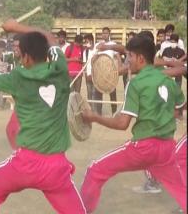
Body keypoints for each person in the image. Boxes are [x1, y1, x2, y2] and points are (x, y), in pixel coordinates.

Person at [0, 19, 86, 214]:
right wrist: (16, 27)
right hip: (56, 167)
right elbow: (50, 37)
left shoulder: (17, 77)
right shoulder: (60, 71)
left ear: (24, 58)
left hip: (25, 164)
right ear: (45, 53)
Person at [80, 35, 187, 213]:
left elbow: (122, 123)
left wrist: (94, 117)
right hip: (167, 148)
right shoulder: (169, 82)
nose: (127, 61)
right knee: (182, 190)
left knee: (95, 169)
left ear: (140, 58)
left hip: (143, 148)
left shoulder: (135, 83)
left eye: (129, 56)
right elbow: (178, 110)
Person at [93, 27, 122, 115]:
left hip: (110, 73)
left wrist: (120, 67)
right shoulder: (98, 45)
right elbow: (94, 57)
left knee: (113, 93)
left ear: (109, 34)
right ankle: (98, 113)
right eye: (103, 33)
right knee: (98, 92)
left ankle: (114, 112)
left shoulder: (113, 44)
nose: (104, 34)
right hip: (99, 73)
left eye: (106, 33)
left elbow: (118, 56)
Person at [83, 33, 96, 109]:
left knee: (96, 94)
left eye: (87, 41)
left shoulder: (97, 50)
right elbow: (84, 65)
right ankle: (91, 109)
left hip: (96, 75)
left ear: (92, 41)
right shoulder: (86, 52)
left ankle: (96, 110)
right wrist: (86, 75)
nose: (87, 43)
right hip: (88, 76)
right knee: (89, 93)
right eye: (86, 42)